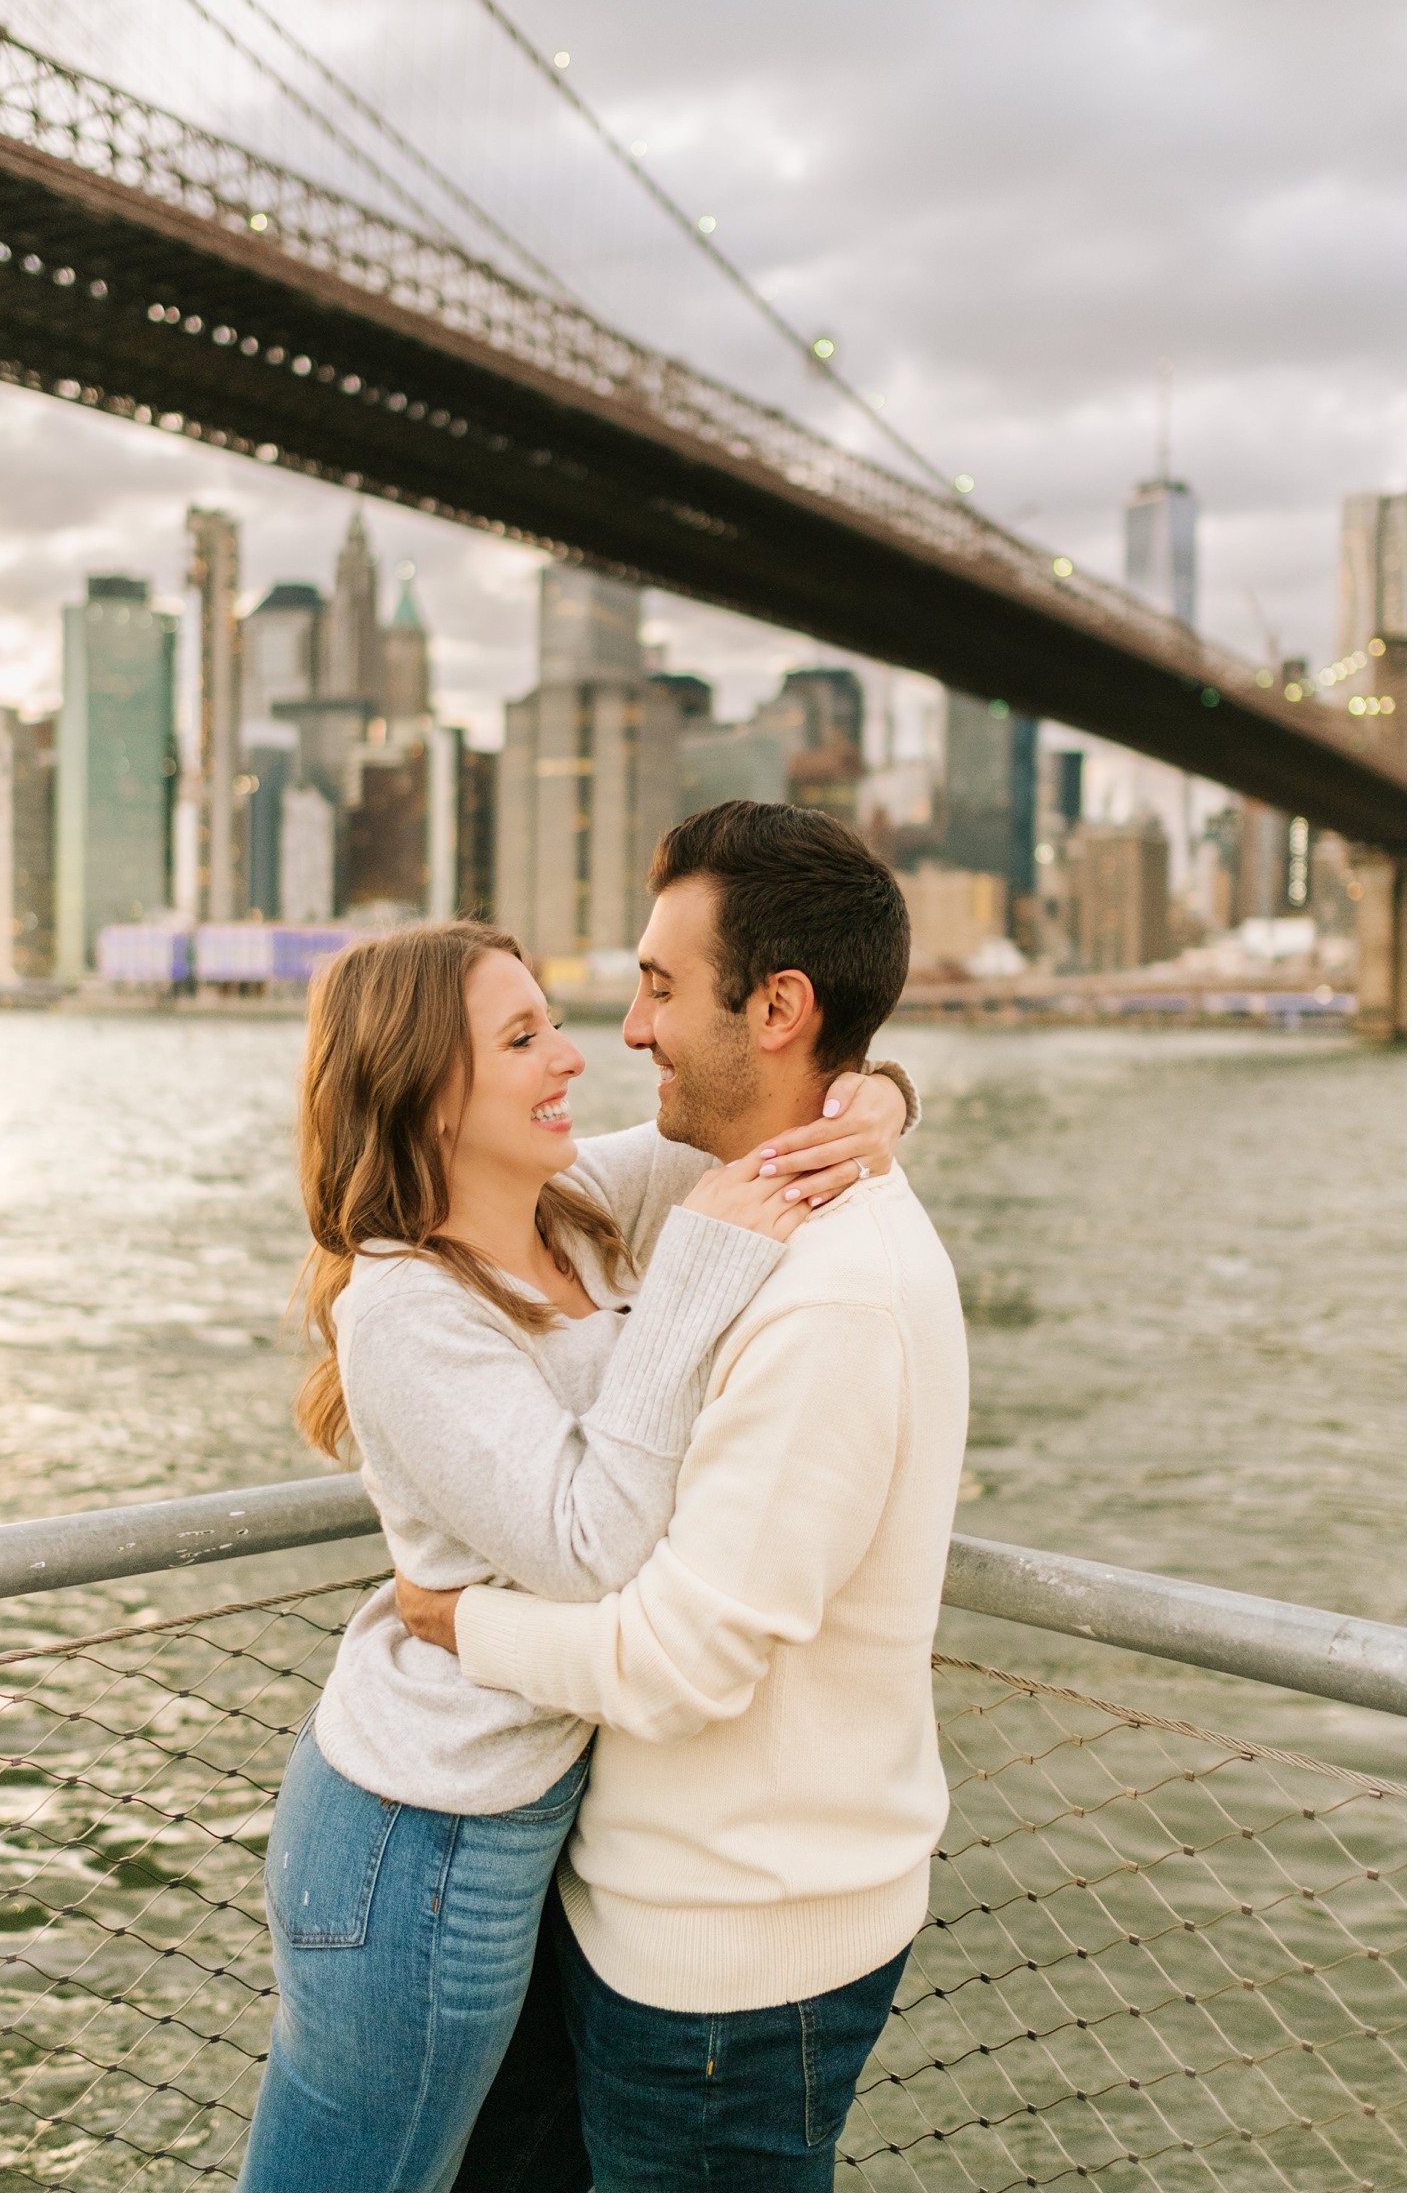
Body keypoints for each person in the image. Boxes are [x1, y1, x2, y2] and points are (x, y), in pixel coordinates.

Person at [236, 914, 914, 2194]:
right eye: (523, 1036)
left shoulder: (582, 1207)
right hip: (414, 1845)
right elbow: (590, 1548)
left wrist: (876, 1099)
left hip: (517, 1832)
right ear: (427, 1091)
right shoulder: (404, 1306)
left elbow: (768, 1139)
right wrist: (706, 1264)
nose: (574, 1057)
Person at [397, 802, 970, 2194]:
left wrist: (444, 1618)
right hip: (642, 1909)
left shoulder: (836, 1298)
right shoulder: (733, 1190)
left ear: (777, 1008)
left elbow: (682, 1656)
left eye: (660, 985)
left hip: (730, 1968)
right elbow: (467, 1196)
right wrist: (878, 1092)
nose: (631, 1028)